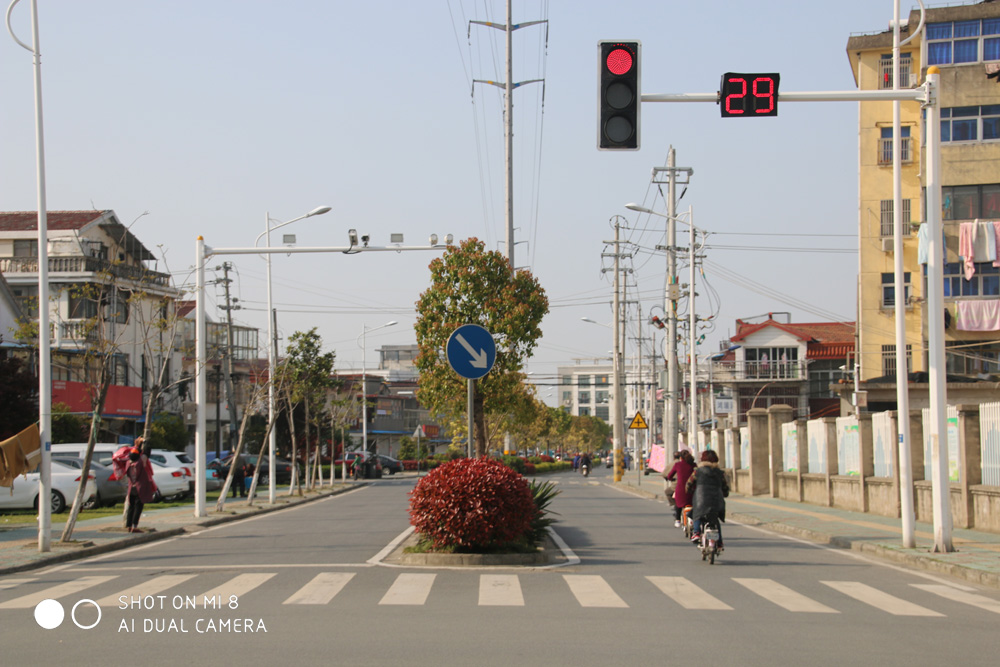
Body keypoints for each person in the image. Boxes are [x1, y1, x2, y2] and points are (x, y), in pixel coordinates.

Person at [686, 449, 730, 546]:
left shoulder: (697, 471)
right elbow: (725, 487)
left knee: (697, 513)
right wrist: (725, 493)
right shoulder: (720, 473)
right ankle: (719, 542)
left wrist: (689, 491)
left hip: (701, 498)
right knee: (715, 519)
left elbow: (689, 483)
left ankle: (696, 532)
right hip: (717, 500)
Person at [125, 445, 155, 533]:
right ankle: (134, 526)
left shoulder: (128, 463)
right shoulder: (140, 462)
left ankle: (128, 526)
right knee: (138, 507)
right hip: (140, 488)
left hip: (131, 488)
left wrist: (138, 445)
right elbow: (147, 453)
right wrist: (145, 442)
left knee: (131, 507)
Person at [664, 449, 696, 528]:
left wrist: (671, 478)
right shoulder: (694, 465)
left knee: (678, 504)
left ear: (681, 458)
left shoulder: (678, 465)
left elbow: (669, 475)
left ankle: (677, 519)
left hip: (681, 489)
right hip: (692, 489)